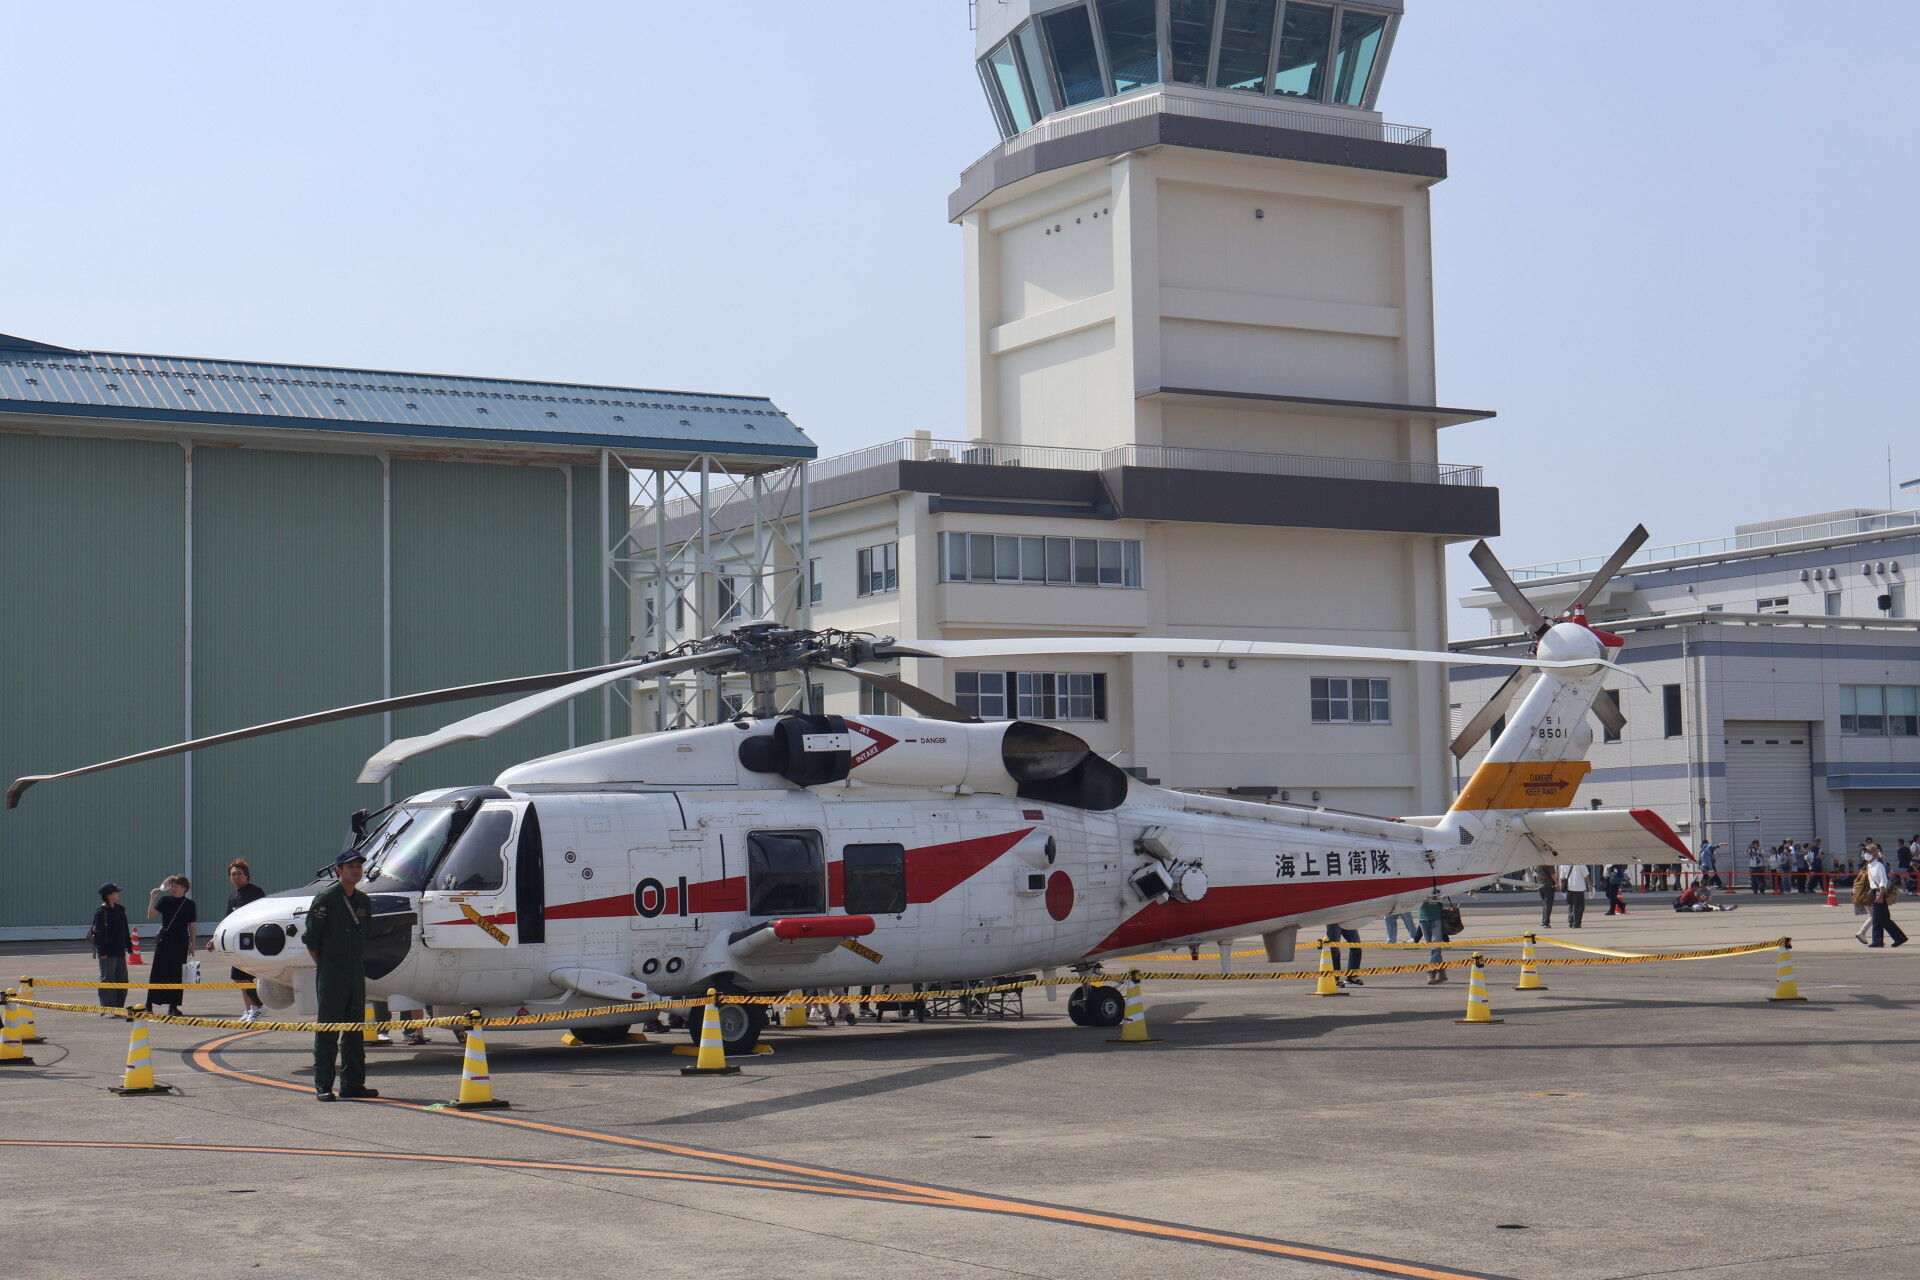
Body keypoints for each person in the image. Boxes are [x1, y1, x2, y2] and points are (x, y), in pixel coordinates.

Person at [306, 850, 378, 1101]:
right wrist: (326, 964)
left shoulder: (363, 901)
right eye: (350, 867)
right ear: (339, 871)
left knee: (355, 1029)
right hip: (332, 970)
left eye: (358, 866)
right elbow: (312, 938)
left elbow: (365, 934)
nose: (356, 871)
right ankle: (323, 1084)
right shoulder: (326, 899)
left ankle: (353, 1084)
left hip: (355, 969)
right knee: (328, 1028)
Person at [145, 875, 197, 1014]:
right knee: (158, 971)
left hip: (181, 941)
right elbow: (151, 916)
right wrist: (152, 898)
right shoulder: (165, 900)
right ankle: (149, 1004)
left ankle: (173, 1006)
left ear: (184, 888)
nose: (173, 888)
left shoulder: (189, 904)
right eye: (172, 886)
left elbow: (192, 925)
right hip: (165, 940)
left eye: (177, 886)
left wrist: (193, 945)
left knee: (177, 974)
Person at [225, 859, 268, 1021]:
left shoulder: (255, 892)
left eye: (239, 874)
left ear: (246, 876)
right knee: (240, 976)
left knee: (242, 976)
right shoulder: (233, 896)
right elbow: (228, 920)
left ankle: (258, 1006)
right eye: (233, 874)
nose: (236, 877)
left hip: (251, 942)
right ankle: (249, 1009)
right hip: (237, 943)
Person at [87, 883, 133, 1010]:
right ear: (109, 895)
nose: (118, 894)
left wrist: (129, 947)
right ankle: (107, 1009)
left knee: (122, 980)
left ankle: (118, 1008)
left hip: (120, 952)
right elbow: (99, 934)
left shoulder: (120, 910)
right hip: (107, 953)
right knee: (107, 979)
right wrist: (102, 952)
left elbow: (125, 930)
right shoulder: (101, 913)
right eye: (116, 892)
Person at [1859, 848, 1908, 948]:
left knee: (1882, 918)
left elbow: (1883, 881)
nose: (1866, 854)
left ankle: (1899, 938)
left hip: (1879, 891)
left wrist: (1881, 894)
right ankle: (1878, 941)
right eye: (1866, 852)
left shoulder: (1879, 865)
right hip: (1874, 891)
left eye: (1869, 852)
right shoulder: (1869, 865)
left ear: (1874, 853)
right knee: (1877, 918)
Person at [1416, 895, 1450, 985]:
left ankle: (1431, 972)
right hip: (1423, 918)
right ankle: (1442, 973)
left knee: (1435, 948)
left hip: (1436, 917)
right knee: (1432, 949)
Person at [1324, 920, 1364, 986]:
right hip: (1334, 919)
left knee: (1356, 946)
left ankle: (1352, 976)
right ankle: (1334, 978)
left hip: (1347, 918)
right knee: (1334, 948)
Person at [1534, 863, 1558, 928]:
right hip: (1548, 885)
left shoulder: (1538, 863)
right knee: (1548, 904)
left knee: (1545, 903)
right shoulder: (1549, 863)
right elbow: (1552, 874)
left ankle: (1544, 921)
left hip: (1540, 885)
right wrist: (1557, 883)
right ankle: (1545, 922)